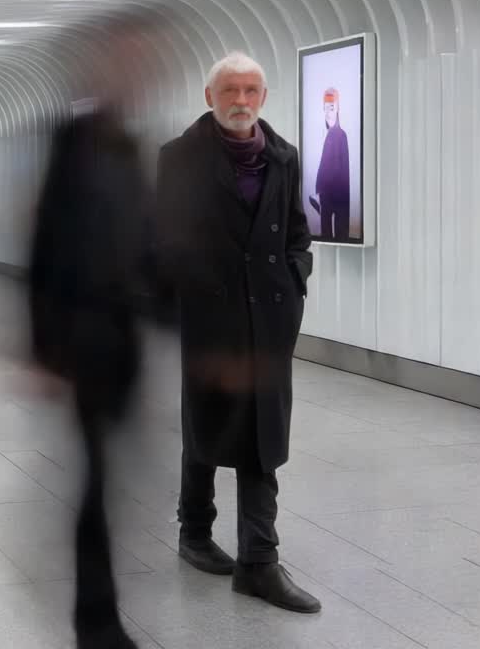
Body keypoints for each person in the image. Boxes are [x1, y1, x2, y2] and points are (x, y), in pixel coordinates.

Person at [156, 51, 320, 614]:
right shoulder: (179, 158)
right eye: (230, 91)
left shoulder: (284, 157)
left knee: (261, 437)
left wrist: (295, 276)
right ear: (210, 97)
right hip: (212, 318)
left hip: (270, 319)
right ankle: (194, 532)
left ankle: (258, 559)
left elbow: (297, 232)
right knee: (204, 426)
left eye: (251, 91)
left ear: (264, 98)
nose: (241, 101)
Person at [29, 24, 155, 646]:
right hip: (82, 336)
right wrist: (43, 346)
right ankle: (96, 620)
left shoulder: (133, 147)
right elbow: (45, 242)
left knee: (110, 478)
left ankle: (100, 611)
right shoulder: (71, 140)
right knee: (98, 478)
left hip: (124, 338)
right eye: (130, 58)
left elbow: (147, 247)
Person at [312, 87, 351, 241]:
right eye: (326, 108)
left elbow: (336, 170)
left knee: (334, 237)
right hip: (329, 197)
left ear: (337, 109)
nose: (328, 112)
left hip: (335, 197)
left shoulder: (339, 135)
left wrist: (319, 191)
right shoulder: (330, 135)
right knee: (327, 238)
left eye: (332, 108)